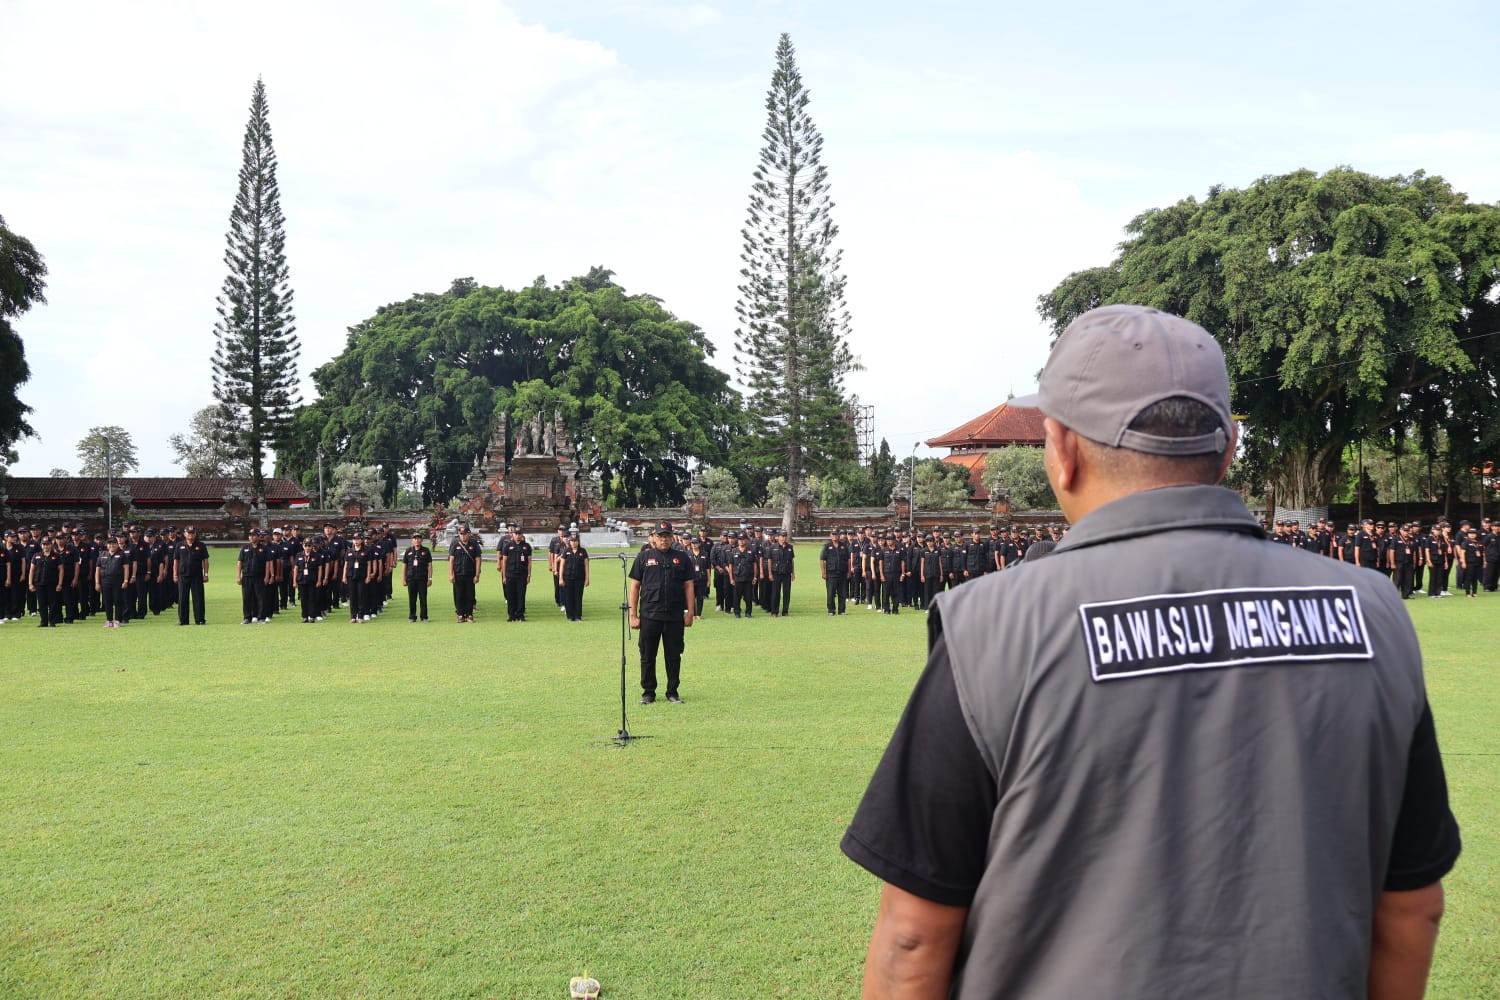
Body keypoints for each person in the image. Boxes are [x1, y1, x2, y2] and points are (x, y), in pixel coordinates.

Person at [843, 304, 1460, 999]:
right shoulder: (1372, 612)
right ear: (1225, 451)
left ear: (1061, 450)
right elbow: (1412, 905)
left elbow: (914, 935)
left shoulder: (991, 625)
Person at [628, 521, 694, 704]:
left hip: (674, 616)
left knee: (673, 656)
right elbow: (634, 587)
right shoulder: (644, 557)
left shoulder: (682, 558)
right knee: (647, 655)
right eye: (660, 536)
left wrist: (690, 613)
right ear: (654, 537)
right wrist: (632, 615)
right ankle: (648, 692)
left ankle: (672, 691)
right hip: (650, 615)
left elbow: (688, 586)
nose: (664, 539)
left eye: (667, 536)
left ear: (672, 538)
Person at [173, 525, 210, 625]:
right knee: (182, 599)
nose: (191, 535)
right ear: (185, 534)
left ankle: (200, 619)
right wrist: (175, 574)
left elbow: (205, 560)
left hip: (197, 576)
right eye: (188, 533)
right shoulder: (179, 545)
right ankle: (183, 620)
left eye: (192, 533)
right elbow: (176, 561)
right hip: (183, 575)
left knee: (198, 598)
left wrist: (206, 574)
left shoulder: (201, 545)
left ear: (195, 534)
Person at [448, 524, 481, 623]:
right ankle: (460, 614)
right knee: (458, 595)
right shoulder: (455, 544)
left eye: (465, 534)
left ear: (469, 534)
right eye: (461, 534)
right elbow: (451, 560)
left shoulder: (474, 544)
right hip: (458, 573)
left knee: (470, 595)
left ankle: (469, 614)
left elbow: (478, 559)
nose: (463, 536)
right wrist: (451, 574)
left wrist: (477, 574)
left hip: (470, 574)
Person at [559, 529, 590, 621]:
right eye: (572, 541)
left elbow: (586, 566)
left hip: (579, 578)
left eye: (575, 541)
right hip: (568, 577)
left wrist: (587, 578)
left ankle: (578, 615)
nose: (573, 543)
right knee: (569, 597)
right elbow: (562, 565)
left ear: (578, 542)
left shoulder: (583, 551)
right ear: (570, 542)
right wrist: (560, 578)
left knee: (578, 597)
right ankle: (570, 616)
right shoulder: (566, 551)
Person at [402, 532, 432, 622]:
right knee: (412, 599)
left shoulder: (426, 551)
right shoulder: (408, 551)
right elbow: (404, 566)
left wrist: (430, 578)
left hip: (422, 578)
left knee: (423, 598)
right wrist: (403, 578)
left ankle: (424, 616)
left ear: (421, 540)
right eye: (415, 538)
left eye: (418, 538)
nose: (417, 540)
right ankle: (412, 616)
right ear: (412, 540)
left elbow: (429, 565)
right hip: (411, 578)